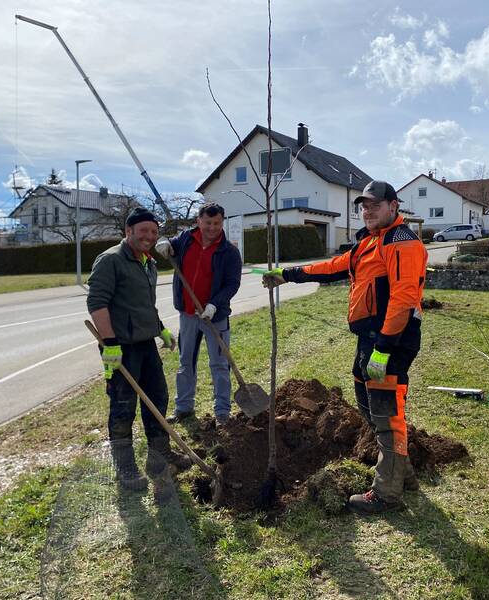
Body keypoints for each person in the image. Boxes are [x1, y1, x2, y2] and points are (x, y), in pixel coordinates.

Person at [263, 181, 427, 515]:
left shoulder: (401, 242)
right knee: (369, 404)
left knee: (388, 414)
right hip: (370, 339)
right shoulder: (369, 243)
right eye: (364, 206)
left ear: (393, 207)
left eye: (375, 206)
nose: (367, 211)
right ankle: (403, 474)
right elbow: (332, 267)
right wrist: (288, 274)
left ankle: (387, 494)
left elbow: (403, 298)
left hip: (390, 342)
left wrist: (383, 348)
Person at [87, 207, 190, 491]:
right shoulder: (110, 260)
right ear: (128, 231)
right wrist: (109, 344)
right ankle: (125, 467)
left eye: (154, 232)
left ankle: (159, 456)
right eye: (143, 230)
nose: (149, 236)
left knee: (157, 398)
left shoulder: (149, 263)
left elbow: (144, 306)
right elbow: (97, 303)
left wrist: (161, 329)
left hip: (145, 345)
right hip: (119, 349)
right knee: (123, 408)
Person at [155, 202, 242, 426]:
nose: (212, 228)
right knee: (186, 362)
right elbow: (168, 245)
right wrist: (163, 242)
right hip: (188, 315)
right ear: (198, 221)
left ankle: (222, 411)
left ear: (222, 222)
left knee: (220, 364)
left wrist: (214, 305)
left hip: (216, 316)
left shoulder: (229, 251)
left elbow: (232, 284)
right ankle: (184, 408)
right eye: (207, 223)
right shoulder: (185, 239)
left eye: (216, 223)